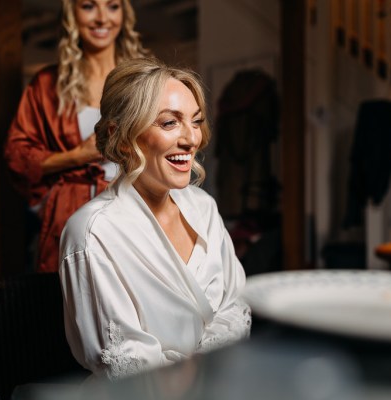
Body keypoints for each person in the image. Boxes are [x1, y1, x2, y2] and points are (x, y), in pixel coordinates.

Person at [59, 58, 251, 381]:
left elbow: (234, 307)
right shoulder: (92, 234)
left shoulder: (204, 208)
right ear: (119, 136)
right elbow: (127, 364)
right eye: (168, 123)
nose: (191, 139)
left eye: (196, 121)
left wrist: (206, 371)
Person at [5, 0, 148, 272]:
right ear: (72, 15)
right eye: (88, 6)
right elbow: (16, 156)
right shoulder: (47, 84)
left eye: (113, 6)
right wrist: (77, 156)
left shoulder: (144, 79)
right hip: (70, 217)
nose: (102, 18)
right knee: (70, 306)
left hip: (136, 210)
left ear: (125, 14)